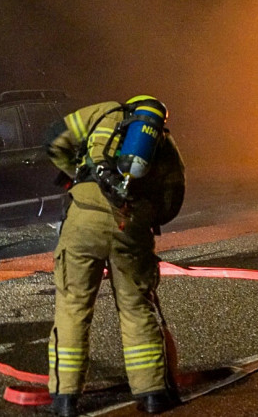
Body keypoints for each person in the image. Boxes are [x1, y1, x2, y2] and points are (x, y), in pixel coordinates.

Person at [44, 96, 186, 416]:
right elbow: (173, 195)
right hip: (130, 226)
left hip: (83, 222)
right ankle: (152, 396)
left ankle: (65, 400)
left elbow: (53, 140)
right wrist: (146, 217)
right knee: (137, 307)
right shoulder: (162, 140)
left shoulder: (102, 112)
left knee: (73, 306)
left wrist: (79, 176)